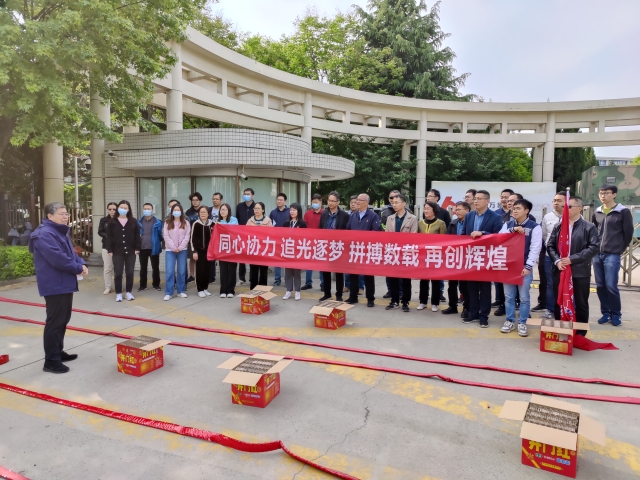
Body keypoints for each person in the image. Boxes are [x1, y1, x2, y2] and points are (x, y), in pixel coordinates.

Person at [29, 202, 87, 374]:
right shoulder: (44, 234)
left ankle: (57, 352)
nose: (65, 216)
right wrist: (77, 268)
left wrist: (81, 263)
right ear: (50, 216)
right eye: (61, 214)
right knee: (55, 322)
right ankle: (51, 361)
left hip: (64, 282)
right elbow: (58, 258)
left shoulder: (59, 231)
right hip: (54, 284)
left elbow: (70, 253)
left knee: (63, 319)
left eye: (66, 213)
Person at [547, 196, 599, 336]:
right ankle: (560, 328)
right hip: (560, 269)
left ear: (580, 208)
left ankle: (580, 333)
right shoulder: (559, 226)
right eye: (564, 207)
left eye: (569, 207)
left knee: (581, 303)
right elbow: (550, 246)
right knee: (559, 300)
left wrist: (572, 259)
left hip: (579, 271)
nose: (565, 209)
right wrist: (557, 261)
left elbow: (593, 248)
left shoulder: (589, 227)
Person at [592, 184, 634, 327]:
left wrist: (619, 249)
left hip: (612, 254)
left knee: (611, 285)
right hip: (597, 254)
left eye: (606, 193)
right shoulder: (597, 211)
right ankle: (605, 313)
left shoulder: (622, 212)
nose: (603, 196)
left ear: (614, 194)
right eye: (601, 193)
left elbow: (628, 233)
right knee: (600, 285)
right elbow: (594, 231)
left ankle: (616, 314)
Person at [499, 199, 542, 337]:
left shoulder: (534, 227)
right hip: (509, 267)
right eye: (514, 208)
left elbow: (535, 248)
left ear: (526, 211)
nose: (515, 210)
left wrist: (528, 266)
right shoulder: (508, 224)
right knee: (508, 297)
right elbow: (499, 238)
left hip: (524, 267)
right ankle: (509, 320)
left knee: (524, 298)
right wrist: (513, 230)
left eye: (518, 208)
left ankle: (523, 322)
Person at [462, 190, 502, 327]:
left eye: (479, 198)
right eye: (475, 198)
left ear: (487, 201)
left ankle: (483, 316)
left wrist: (483, 233)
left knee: (484, 289)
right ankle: (473, 314)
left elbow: (498, 236)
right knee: (472, 288)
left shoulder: (495, 217)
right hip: (471, 256)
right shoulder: (469, 216)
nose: (476, 201)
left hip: (486, 257)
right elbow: (464, 234)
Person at [346, 193, 381, 307]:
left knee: (368, 275)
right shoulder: (353, 215)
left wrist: (363, 237)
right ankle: (353, 297)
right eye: (357, 200)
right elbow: (348, 229)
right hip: (355, 249)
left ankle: (370, 299)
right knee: (353, 274)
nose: (357, 202)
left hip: (367, 250)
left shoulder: (373, 216)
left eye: (360, 200)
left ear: (366, 202)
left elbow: (376, 231)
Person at [385, 194, 417, 312]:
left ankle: (405, 302)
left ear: (404, 204)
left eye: (397, 202)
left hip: (406, 252)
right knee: (393, 278)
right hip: (393, 252)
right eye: (393, 203)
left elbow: (413, 236)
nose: (394, 205)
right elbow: (387, 235)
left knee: (406, 279)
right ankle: (394, 301)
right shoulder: (390, 218)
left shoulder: (412, 218)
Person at [106, 200, 141, 302]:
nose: (123, 209)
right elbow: (109, 237)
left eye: (125, 208)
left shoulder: (133, 221)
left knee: (130, 272)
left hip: (131, 251)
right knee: (118, 273)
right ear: (118, 208)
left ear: (128, 209)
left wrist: (137, 248)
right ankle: (119, 293)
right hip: (117, 251)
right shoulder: (112, 222)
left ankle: (129, 292)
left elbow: (137, 236)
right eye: (121, 207)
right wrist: (110, 249)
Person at [319, 191, 350, 301]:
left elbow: (347, 231)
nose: (330, 203)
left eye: (333, 201)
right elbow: (320, 228)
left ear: (338, 202)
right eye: (329, 200)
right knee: (326, 271)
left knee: (339, 272)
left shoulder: (344, 216)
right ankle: (327, 293)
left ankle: (339, 295)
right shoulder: (324, 214)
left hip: (338, 246)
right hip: (326, 246)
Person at [442, 201, 471, 317]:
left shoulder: (471, 223)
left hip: (466, 257)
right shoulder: (453, 223)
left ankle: (467, 307)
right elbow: (447, 239)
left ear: (467, 211)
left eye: (459, 209)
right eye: (456, 210)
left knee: (464, 286)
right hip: (454, 256)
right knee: (452, 284)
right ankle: (452, 306)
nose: (457, 212)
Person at [417, 201, 447, 312]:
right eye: (425, 208)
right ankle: (423, 301)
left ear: (434, 210)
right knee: (423, 280)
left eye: (428, 209)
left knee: (435, 280)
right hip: (423, 256)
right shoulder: (420, 223)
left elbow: (444, 240)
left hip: (436, 255)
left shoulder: (441, 223)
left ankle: (435, 303)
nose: (426, 211)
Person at [539, 192, 564, 319]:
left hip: (567, 258)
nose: (556, 203)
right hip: (550, 256)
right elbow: (544, 235)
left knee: (566, 283)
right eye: (554, 200)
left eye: (559, 200)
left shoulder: (574, 217)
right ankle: (550, 310)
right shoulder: (547, 217)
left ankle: (565, 309)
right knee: (550, 283)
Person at [427, 189, 450, 303]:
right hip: (427, 247)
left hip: (439, 247)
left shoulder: (444, 212)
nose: (428, 198)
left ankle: (439, 292)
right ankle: (425, 294)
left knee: (438, 270)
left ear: (437, 198)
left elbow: (448, 229)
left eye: (430, 196)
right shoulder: (426, 211)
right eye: (427, 196)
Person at [163, 203, 191, 301]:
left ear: (181, 212)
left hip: (182, 250)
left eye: (178, 210)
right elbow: (166, 236)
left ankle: (181, 291)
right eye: (174, 210)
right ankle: (169, 292)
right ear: (171, 212)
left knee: (181, 271)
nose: (176, 212)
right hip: (170, 250)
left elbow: (187, 236)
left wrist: (180, 247)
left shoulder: (186, 223)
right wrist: (173, 247)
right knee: (170, 271)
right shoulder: (167, 223)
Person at [282, 203, 307, 300]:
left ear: (298, 211)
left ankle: (297, 291)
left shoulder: (302, 224)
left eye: (294, 210)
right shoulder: (286, 223)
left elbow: (305, 237)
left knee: (297, 272)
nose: (292, 212)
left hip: (297, 251)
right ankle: (288, 291)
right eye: (291, 210)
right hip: (288, 250)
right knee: (288, 272)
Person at [137, 203, 163, 292]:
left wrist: (156, 242)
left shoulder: (158, 222)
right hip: (142, 248)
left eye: (148, 209)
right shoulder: (139, 222)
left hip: (154, 248)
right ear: (142, 210)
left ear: (152, 210)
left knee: (155, 267)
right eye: (145, 209)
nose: (146, 210)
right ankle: (142, 285)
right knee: (143, 267)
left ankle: (156, 284)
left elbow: (160, 236)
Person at [247, 202, 273, 288]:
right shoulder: (250, 221)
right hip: (253, 248)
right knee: (253, 270)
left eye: (258, 208)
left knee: (263, 270)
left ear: (263, 210)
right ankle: (253, 289)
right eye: (255, 208)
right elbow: (245, 233)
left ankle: (262, 290)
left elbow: (272, 234)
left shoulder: (268, 221)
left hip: (264, 249)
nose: (256, 210)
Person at [216, 203, 239, 298]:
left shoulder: (234, 220)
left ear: (229, 211)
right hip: (222, 249)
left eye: (225, 209)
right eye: (221, 209)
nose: (223, 211)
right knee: (223, 270)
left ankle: (230, 290)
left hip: (232, 248)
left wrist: (222, 226)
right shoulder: (217, 221)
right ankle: (223, 290)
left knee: (232, 270)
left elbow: (234, 231)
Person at [302, 193, 324, 291]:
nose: (314, 204)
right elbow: (304, 227)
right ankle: (308, 283)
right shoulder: (307, 214)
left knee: (321, 264)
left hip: (321, 242)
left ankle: (323, 284)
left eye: (316, 202)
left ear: (320, 202)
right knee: (308, 264)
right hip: (309, 242)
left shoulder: (324, 214)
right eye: (313, 202)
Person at [191, 205, 213, 298]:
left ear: (208, 213)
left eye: (205, 212)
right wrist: (194, 251)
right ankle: (200, 289)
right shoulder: (196, 224)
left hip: (209, 252)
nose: (203, 214)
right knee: (199, 270)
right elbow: (192, 239)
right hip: (199, 252)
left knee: (207, 270)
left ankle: (205, 288)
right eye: (201, 212)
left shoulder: (212, 224)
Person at [382, 190, 401, 299]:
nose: (393, 200)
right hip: (389, 246)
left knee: (401, 272)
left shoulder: (409, 212)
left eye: (395, 198)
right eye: (391, 198)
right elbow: (382, 227)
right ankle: (390, 290)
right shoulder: (385, 213)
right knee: (389, 271)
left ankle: (401, 291)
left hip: (402, 247)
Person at [235, 188, 256, 285]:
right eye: (245, 194)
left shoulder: (256, 206)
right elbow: (237, 219)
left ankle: (252, 278)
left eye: (248, 194)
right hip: (242, 235)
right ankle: (241, 278)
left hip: (253, 236)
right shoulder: (239, 206)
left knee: (252, 257)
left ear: (253, 196)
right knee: (241, 257)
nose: (246, 195)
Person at [269, 192, 290, 287]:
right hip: (276, 239)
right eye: (277, 200)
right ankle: (277, 279)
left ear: (285, 201)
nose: (279, 201)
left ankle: (287, 279)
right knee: (277, 260)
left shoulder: (289, 212)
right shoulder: (273, 212)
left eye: (281, 200)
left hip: (287, 240)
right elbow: (270, 226)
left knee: (286, 260)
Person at [98, 202, 117, 294]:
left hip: (118, 247)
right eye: (110, 209)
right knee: (107, 268)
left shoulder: (121, 220)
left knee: (119, 268)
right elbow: (100, 231)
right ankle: (108, 287)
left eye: (114, 209)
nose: (112, 211)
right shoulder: (104, 220)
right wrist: (107, 236)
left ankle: (119, 286)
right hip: (106, 246)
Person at [185, 192, 203, 284]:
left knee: (201, 258)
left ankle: (200, 275)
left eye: (196, 200)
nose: (195, 202)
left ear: (200, 201)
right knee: (192, 257)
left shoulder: (203, 210)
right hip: (191, 238)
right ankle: (192, 275)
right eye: (193, 200)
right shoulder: (188, 212)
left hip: (202, 238)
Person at [208, 192, 224, 284]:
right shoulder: (209, 210)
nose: (215, 200)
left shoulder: (224, 209)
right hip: (210, 236)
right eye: (213, 199)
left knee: (222, 256)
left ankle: (223, 277)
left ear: (221, 200)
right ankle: (211, 277)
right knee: (211, 256)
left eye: (217, 199)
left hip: (221, 236)